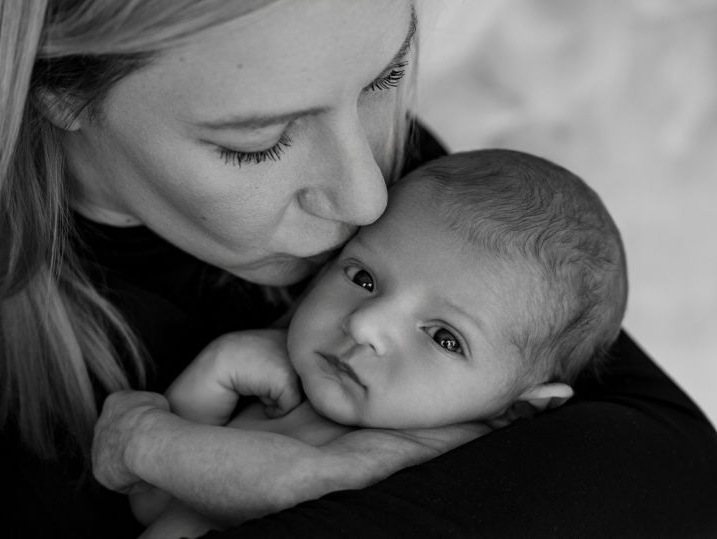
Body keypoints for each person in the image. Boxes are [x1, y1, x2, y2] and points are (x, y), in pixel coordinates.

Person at [0, 1, 715, 539]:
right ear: (55, 90)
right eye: (257, 142)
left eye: (386, 78)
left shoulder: (416, 198)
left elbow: (678, 475)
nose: (368, 195)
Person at [130, 149, 627, 538]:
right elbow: (150, 502)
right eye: (363, 277)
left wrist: (140, 438)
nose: (367, 324)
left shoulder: (429, 452)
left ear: (518, 412)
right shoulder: (307, 390)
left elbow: (282, 490)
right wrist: (215, 375)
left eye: (444, 337)